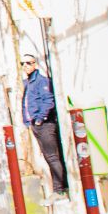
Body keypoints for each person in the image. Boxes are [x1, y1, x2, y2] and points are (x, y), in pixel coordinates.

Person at [20, 51, 68, 196]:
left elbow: (48, 101)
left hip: (45, 124)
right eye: (22, 63)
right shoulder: (28, 83)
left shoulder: (41, 81)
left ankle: (59, 189)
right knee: (48, 157)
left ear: (35, 64)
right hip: (35, 124)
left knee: (52, 156)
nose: (25, 66)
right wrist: (29, 122)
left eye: (28, 63)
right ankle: (57, 188)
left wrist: (40, 119)